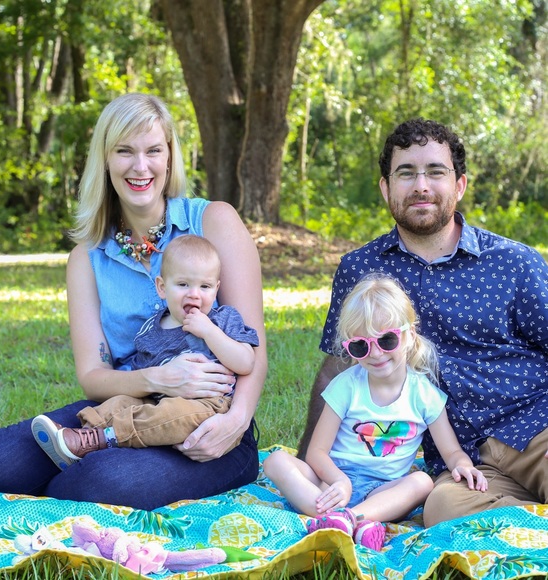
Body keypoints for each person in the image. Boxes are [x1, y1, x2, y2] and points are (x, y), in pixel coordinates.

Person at [0, 93, 267, 510]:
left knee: (96, 482)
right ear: (105, 160)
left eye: (153, 151)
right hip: (120, 407)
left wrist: (235, 423)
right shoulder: (87, 257)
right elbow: (94, 376)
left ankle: (61, 483)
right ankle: (13, 461)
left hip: (206, 424)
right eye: (124, 151)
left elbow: (254, 349)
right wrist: (159, 379)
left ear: (169, 157)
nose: (140, 166)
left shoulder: (214, 221)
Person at [297, 118, 548, 527]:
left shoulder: (513, 262)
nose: (421, 186)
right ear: (385, 188)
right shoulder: (361, 269)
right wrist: (308, 465)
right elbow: (339, 365)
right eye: (406, 173)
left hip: (535, 428)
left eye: (435, 171)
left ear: (459, 185)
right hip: (465, 460)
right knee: (443, 511)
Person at [264, 274, 487, 550]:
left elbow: (450, 451)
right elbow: (317, 453)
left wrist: (463, 465)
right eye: (361, 345)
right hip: (330, 482)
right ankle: (351, 522)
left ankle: (346, 519)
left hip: (384, 492)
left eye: (387, 340)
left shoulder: (424, 395)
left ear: (409, 335)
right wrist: (339, 481)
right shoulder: (345, 386)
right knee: (275, 461)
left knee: (422, 482)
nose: (376, 354)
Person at [31, 234, 259, 467]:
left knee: (172, 412)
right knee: (122, 401)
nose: (194, 294)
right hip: (157, 402)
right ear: (162, 287)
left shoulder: (223, 319)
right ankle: (81, 435)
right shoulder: (150, 330)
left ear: (216, 288)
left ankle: (103, 438)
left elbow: (246, 362)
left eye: (205, 286)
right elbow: (140, 379)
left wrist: (210, 332)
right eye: (183, 284)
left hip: (209, 407)